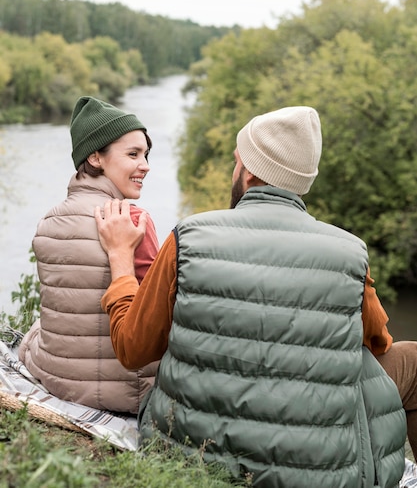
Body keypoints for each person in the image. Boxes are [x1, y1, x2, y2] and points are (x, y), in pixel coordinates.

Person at [96, 106, 407, 487]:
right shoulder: (350, 253)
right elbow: (378, 343)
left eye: (236, 160)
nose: (234, 169)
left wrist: (121, 264)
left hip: (190, 451)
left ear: (251, 171)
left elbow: (133, 349)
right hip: (316, 473)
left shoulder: (189, 237)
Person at [18, 96, 160, 414]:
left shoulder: (49, 219)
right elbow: (158, 319)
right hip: (127, 393)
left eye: (146, 154)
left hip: (55, 379)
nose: (146, 165)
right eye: (133, 154)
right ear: (96, 157)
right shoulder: (133, 220)